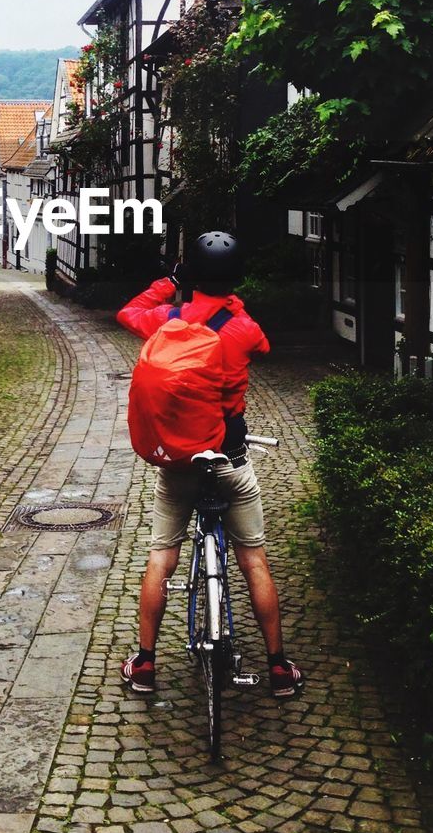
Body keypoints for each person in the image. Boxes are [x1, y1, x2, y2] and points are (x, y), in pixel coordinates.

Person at [116, 230, 304, 699]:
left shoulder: (166, 319)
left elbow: (127, 313)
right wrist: (233, 309)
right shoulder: (242, 327)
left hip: (180, 461)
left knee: (163, 554)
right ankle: (279, 668)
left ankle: (144, 664)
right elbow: (262, 348)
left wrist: (168, 282)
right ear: (236, 277)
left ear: (191, 275)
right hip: (229, 458)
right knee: (253, 558)